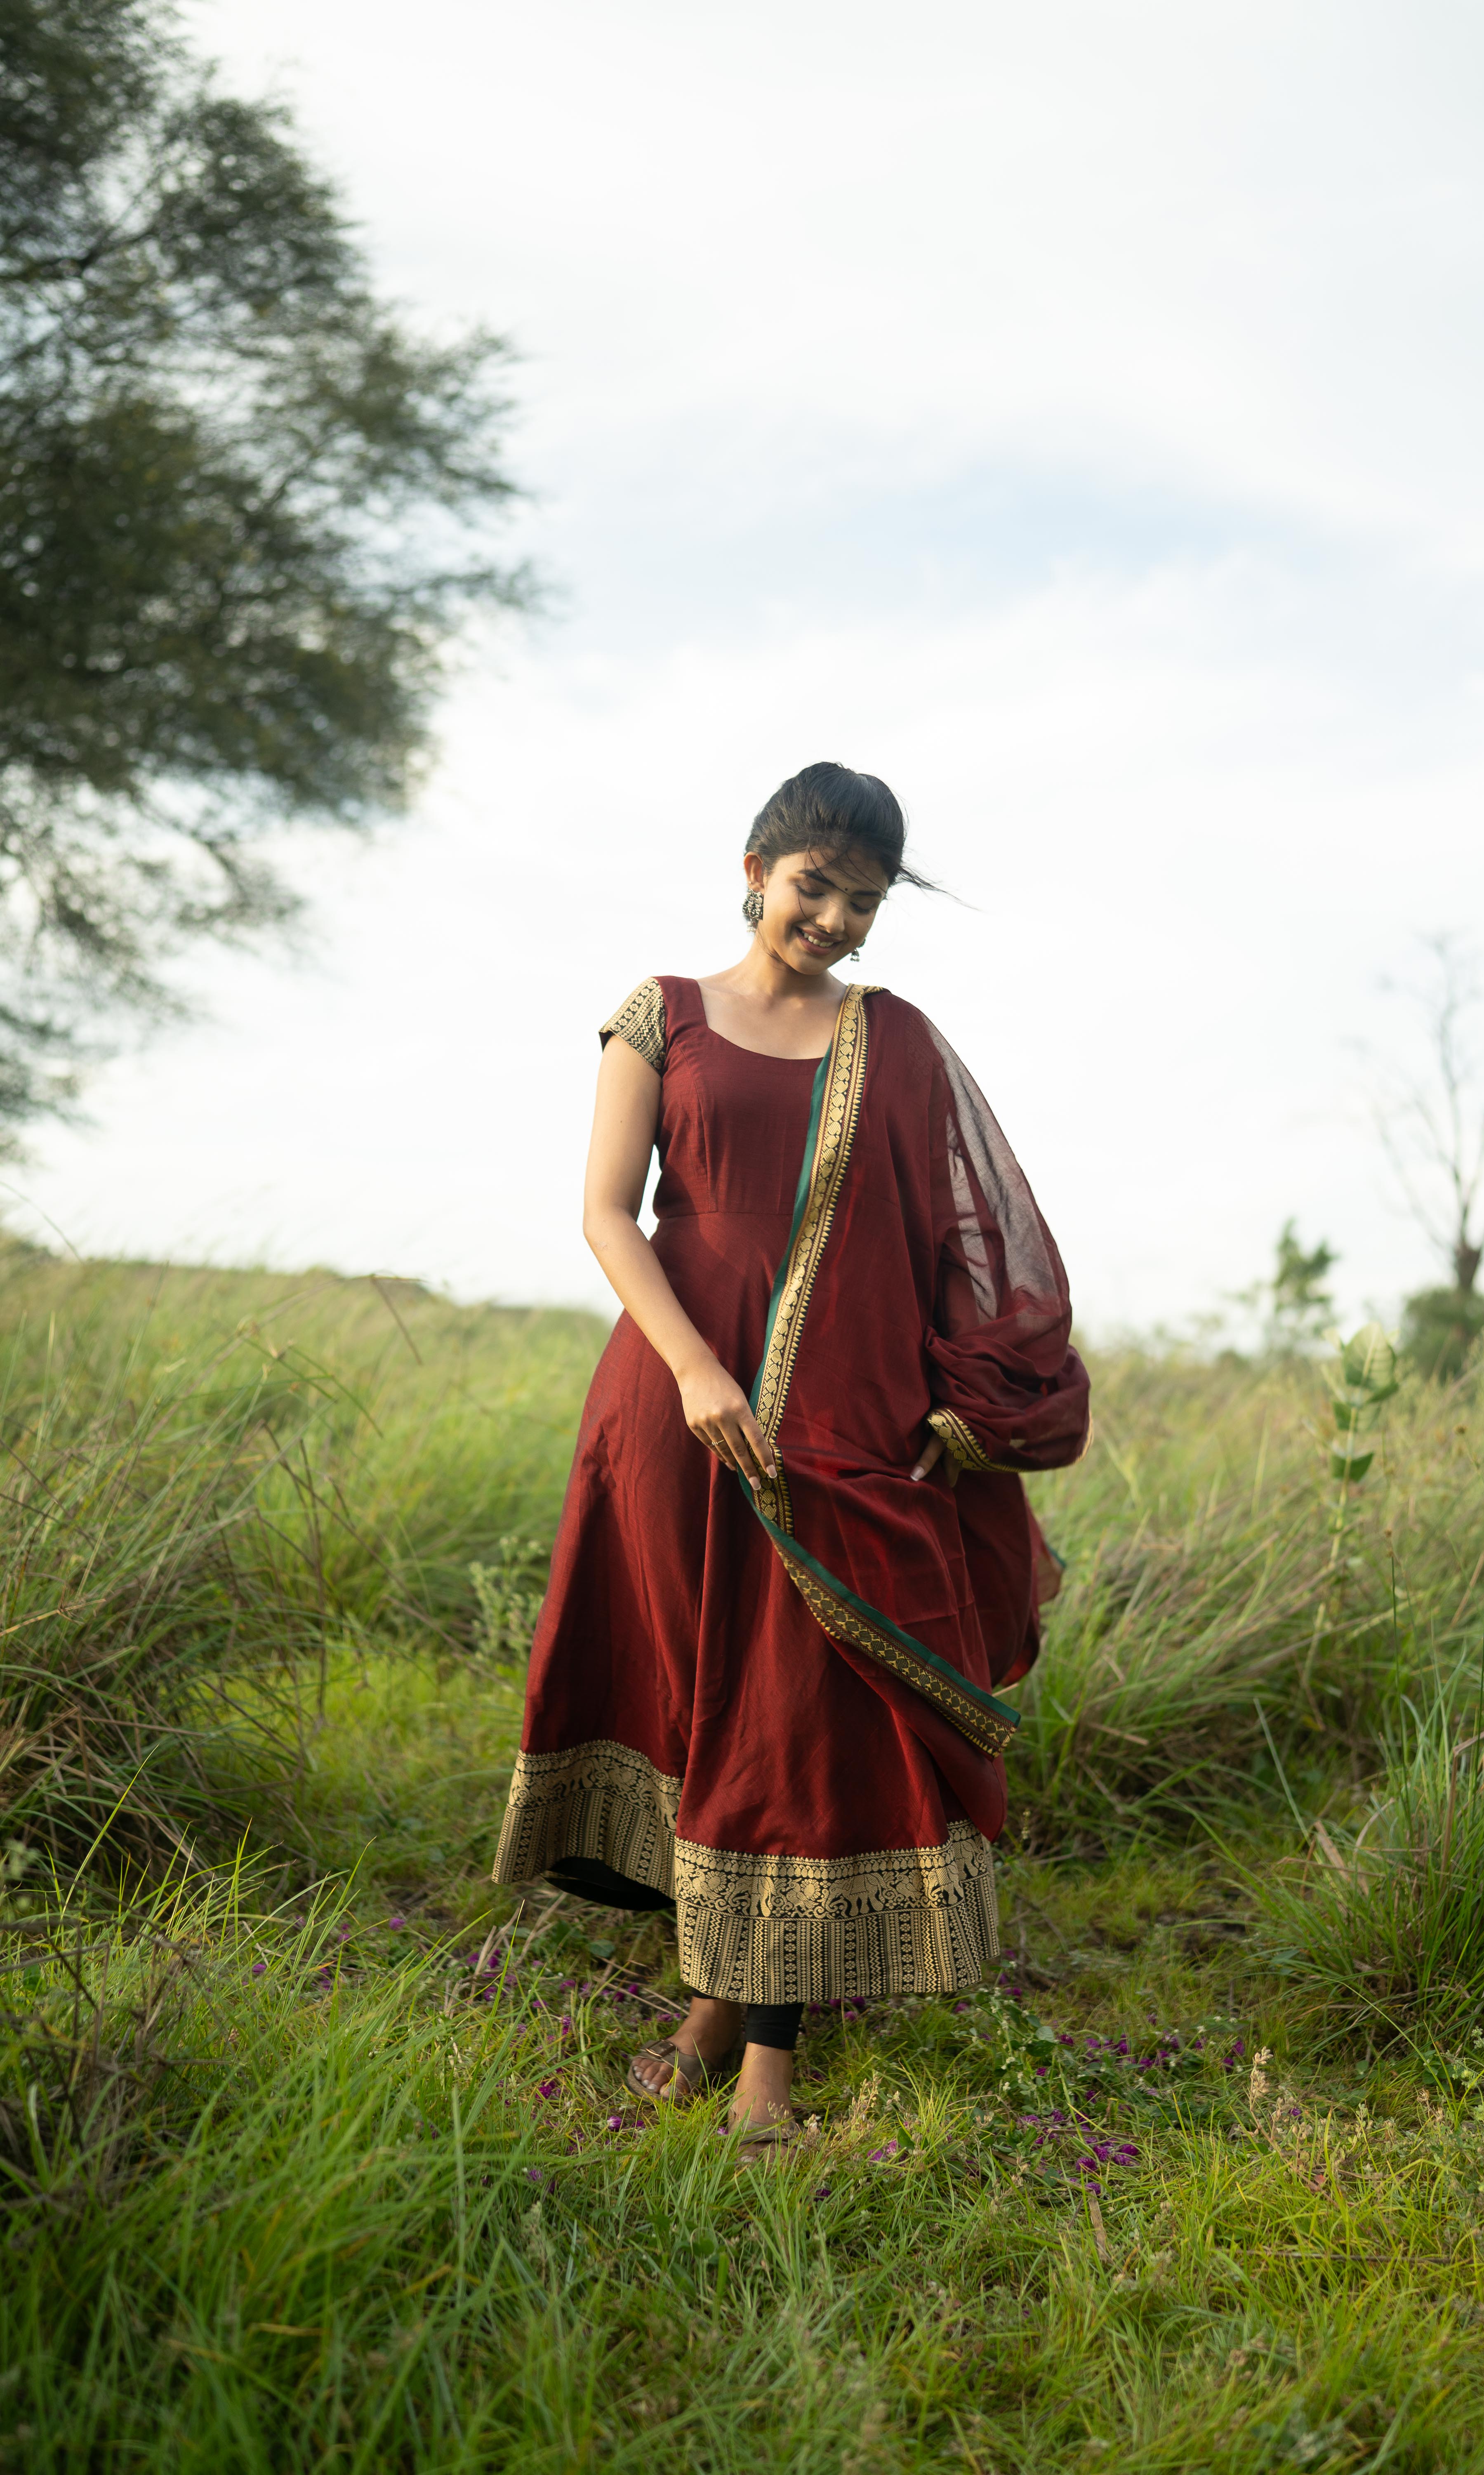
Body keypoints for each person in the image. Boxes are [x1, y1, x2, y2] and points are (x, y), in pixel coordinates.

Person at [492, 762, 1089, 2149]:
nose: (830, 918)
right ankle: (711, 2012)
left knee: (798, 1725)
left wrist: (951, 1417)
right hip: (671, 1409)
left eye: (862, 903)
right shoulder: (662, 1017)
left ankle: (763, 2072)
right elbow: (606, 1214)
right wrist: (699, 1371)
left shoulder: (899, 1041)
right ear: (756, 866)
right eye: (813, 884)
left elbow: (969, 1241)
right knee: (704, 1710)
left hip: (838, 1430)